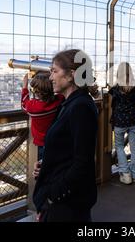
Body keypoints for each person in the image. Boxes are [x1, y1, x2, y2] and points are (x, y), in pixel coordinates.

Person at [33, 49, 99, 222]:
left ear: (71, 75)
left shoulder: (80, 107)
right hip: (67, 200)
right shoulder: (72, 104)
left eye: (54, 71)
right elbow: (69, 150)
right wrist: (46, 164)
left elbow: (82, 162)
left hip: (65, 204)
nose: (50, 77)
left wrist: (51, 197)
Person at [109, 62, 135, 185]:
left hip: (119, 121)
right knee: (134, 146)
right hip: (133, 120)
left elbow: (112, 103)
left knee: (119, 146)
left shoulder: (115, 88)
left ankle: (125, 173)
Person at [22, 72, 64, 161]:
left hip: (41, 143)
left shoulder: (32, 107)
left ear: (35, 91)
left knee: (42, 167)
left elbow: (23, 104)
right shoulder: (58, 100)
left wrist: (24, 87)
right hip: (56, 139)